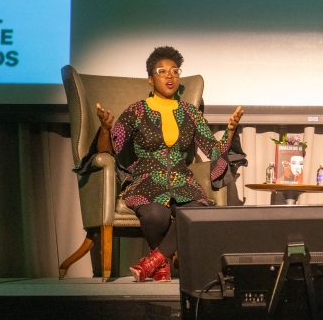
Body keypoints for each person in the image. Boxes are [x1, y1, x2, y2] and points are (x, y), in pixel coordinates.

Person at [93, 46, 244, 282]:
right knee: (155, 215)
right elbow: (107, 150)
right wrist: (105, 128)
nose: (170, 76)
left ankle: (153, 262)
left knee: (196, 212)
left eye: (175, 71)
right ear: (150, 79)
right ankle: (163, 262)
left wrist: (231, 131)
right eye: (162, 71)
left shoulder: (190, 113)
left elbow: (214, 151)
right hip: (146, 180)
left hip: (182, 181)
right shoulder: (136, 110)